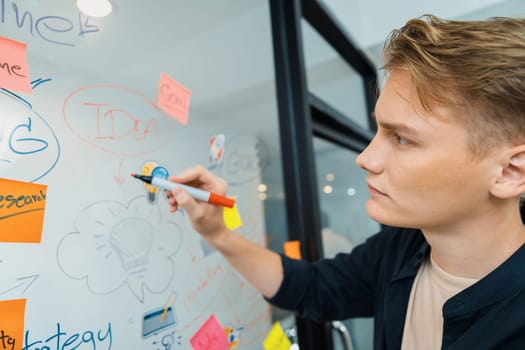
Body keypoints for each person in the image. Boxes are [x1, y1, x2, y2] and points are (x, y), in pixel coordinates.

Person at [166, 14, 525, 349]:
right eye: (379, 131)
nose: (365, 158)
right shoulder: (402, 248)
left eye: (402, 138)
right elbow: (310, 288)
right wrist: (217, 233)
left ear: (511, 172)